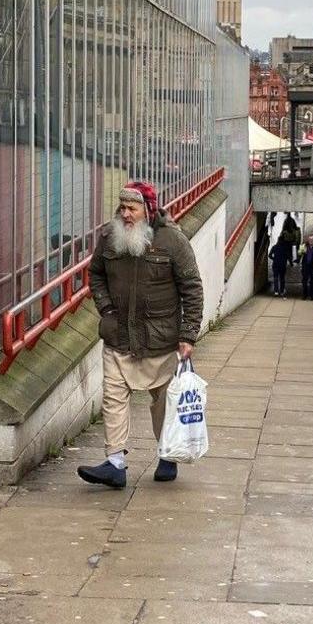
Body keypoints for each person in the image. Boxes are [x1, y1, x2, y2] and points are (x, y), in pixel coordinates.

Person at [78, 181, 203, 489]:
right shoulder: (109, 238)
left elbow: (192, 288)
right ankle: (115, 463)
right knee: (113, 398)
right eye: (122, 207)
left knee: (162, 402)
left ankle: (168, 455)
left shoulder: (172, 240)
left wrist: (188, 335)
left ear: (147, 209)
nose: (125, 214)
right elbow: (95, 274)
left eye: (132, 208)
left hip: (160, 340)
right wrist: (106, 308)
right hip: (118, 335)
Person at [269, 233, 294, 297]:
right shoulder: (285, 248)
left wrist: (274, 258)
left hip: (275, 264)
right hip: (282, 265)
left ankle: (276, 292)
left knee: (275, 278)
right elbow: (288, 257)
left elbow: (269, 255)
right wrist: (291, 263)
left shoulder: (274, 247)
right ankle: (282, 291)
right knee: (282, 278)